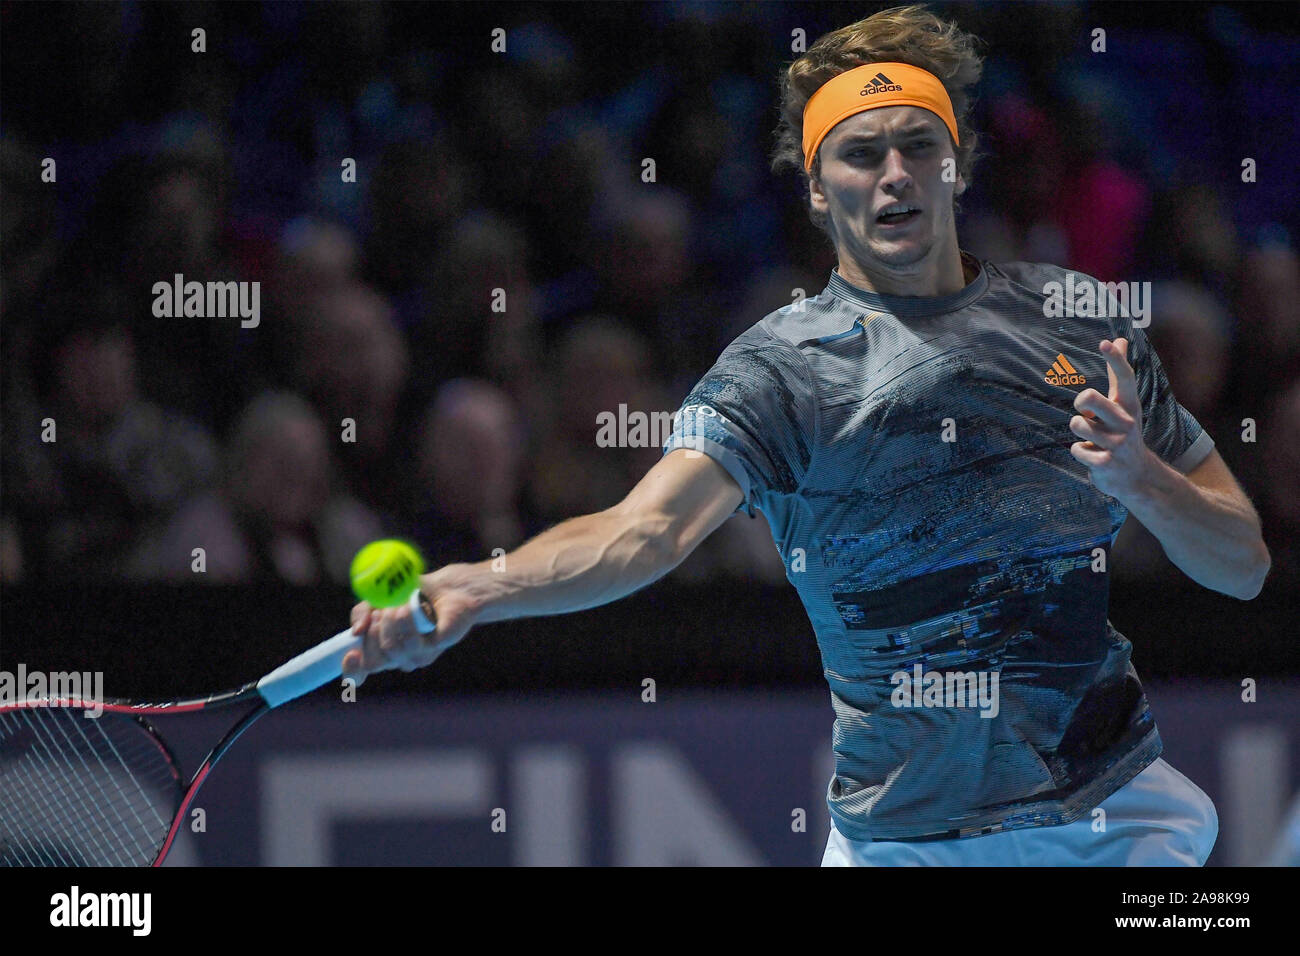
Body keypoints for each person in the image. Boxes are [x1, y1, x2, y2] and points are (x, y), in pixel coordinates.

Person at [342, 5, 1270, 866]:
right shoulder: (781, 372)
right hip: (905, 843)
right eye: (861, 155)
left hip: (1118, 819)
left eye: (918, 144)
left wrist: (1148, 481)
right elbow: (646, 531)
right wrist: (481, 583)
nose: (895, 172)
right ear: (819, 192)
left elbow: (1243, 565)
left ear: (959, 162)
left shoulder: (1077, 322)